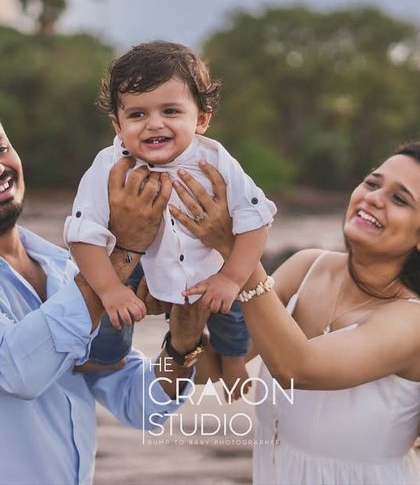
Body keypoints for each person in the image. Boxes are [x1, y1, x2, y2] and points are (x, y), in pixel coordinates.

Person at [169, 143, 420, 485]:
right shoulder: (306, 269)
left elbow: (297, 368)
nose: (373, 198)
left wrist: (237, 247)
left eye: (401, 199)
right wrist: (182, 338)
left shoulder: (411, 321)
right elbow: (216, 368)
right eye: (372, 184)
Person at [0, 122, 209, 485]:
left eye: (1, 148)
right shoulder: (90, 277)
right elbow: (19, 371)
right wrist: (124, 250)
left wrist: (183, 340)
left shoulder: (66, 269)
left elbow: (140, 404)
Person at [64, 40, 276, 395]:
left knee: (231, 299)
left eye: (171, 111)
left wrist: (230, 276)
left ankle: (233, 358)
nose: (153, 124)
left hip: (204, 264)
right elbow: (83, 236)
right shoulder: (108, 167)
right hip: (133, 268)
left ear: (202, 119)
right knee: (108, 328)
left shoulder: (216, 160)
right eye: (137, 114)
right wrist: (111, 289)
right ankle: (106, 357)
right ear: (117, 125)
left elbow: (256, 219)